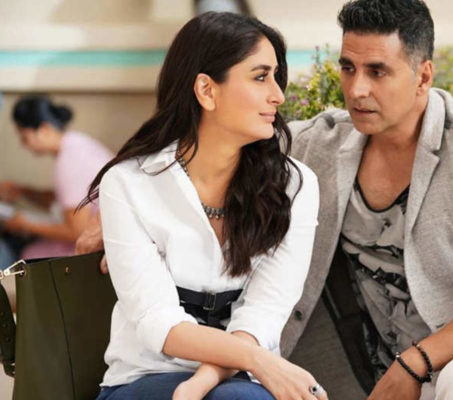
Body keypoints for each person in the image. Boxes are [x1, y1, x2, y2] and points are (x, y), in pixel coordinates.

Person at [77, 1, 453, 399]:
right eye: (348, 68)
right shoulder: (320, 145)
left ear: (423, 76)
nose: (357, 89)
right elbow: (216, 146)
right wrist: (125, 215)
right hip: (371, 357)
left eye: (377, 71)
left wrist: (417, 361)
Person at [81, 12, 324, 400]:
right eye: (260, 77)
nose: (278, 95)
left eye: (277, 77)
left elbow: (265, 311)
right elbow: (157, 322)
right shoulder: (128, 183)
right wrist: (261, 361)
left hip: (241, 383)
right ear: (207, 90)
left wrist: (202, 382)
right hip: (144, 376)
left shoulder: (295, 186)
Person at [0, 95, 113, 262]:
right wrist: (23, 192)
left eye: (24, 137)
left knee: (29, 254)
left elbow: (77, 231)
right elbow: (68, 200)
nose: (23, 144)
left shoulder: (70, 161)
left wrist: (25, 225)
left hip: (96, 245)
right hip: (102, 232)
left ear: (44, 129)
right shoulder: (77, 143)